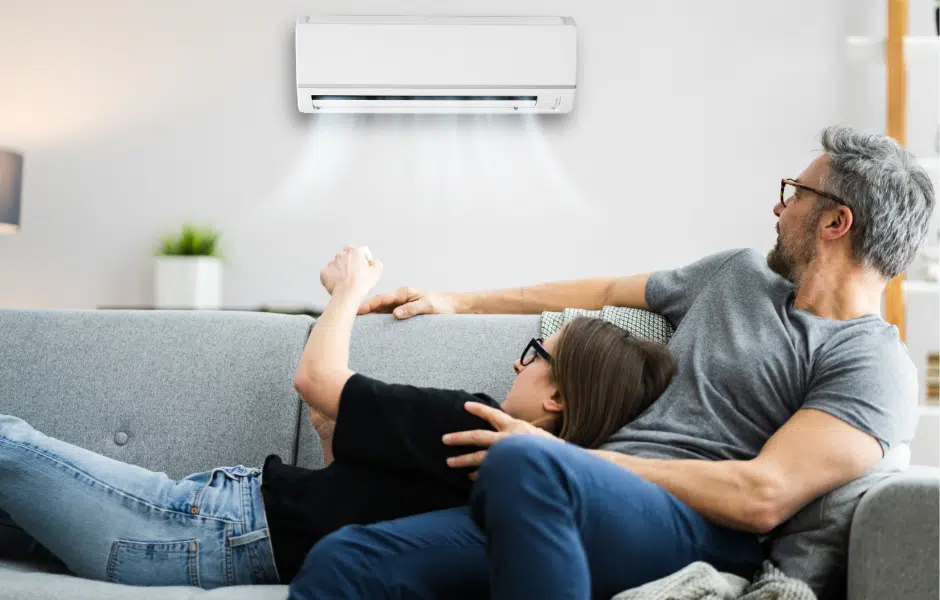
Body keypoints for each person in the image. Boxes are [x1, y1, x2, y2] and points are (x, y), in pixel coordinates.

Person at [290, 124, 936, 600]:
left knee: (522, 457)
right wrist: (456, 299)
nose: (778, 205)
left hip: (691, 529)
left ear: (835, 222)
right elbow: (602, 292)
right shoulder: (733, 274)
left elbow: (762, 496)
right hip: (563, 499)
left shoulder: (872, 364)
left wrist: (569, 460)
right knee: (344, 559)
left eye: (795, 192)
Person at [0, 249, 676, 589]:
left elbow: (314, 380)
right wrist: (340, 430)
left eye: (535, 355)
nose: (517, 366)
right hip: (217, 524)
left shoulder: (473, 421)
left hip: (194, 525)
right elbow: (343, 473)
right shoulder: (528, 496)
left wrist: (348, 288)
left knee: (7, 442)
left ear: (556, 397)